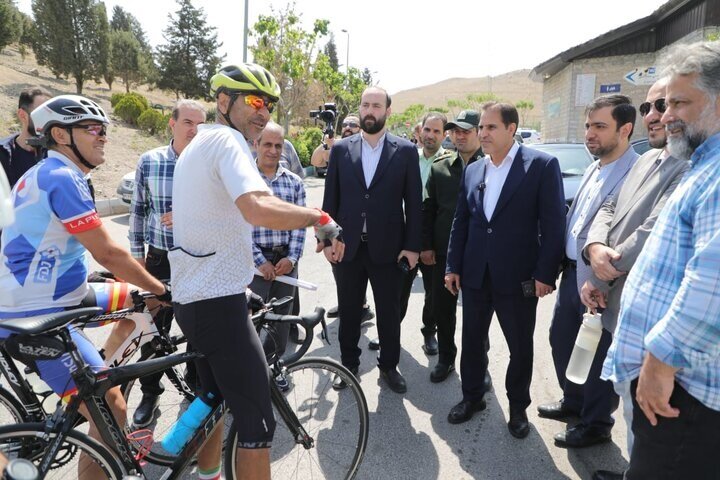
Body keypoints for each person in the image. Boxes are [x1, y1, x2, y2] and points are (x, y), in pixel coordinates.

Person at [168, 63, 343, 480]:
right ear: (223, 101)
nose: (262, 111)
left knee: (213, 398)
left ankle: (206, 473)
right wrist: (319, 218)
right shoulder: (227, 142)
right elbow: (257, 207)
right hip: (216, 304)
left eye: (268, 104)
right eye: (253, 100)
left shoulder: (199, 144)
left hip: (196, 298)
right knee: (257, 424)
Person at [0, 95, 170, 480]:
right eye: (93, 129)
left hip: (55, 297)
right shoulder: (62, 177)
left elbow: (59, 244)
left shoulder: (46, 172)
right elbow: (108, 251)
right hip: (38, 315)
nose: (103, 136)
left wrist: (140, 286)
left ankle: (96, 374)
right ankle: (94, 396)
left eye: (104, 129)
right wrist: (161, 287)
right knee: (111, 409)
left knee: (138, 299)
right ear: (61, 135)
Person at [603, 41, 720, 479]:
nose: (666, 115)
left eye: (679, 103)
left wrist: (660, 361)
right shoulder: (702, 165)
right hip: (675, 384)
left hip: (683, 392)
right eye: (664, 103)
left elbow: (713, 282)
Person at [581, 80, 689, 480]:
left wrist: (603, 271)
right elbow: (610, 207)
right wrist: (595, 247)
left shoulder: (691, 167)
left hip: (655, 320)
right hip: (619, 304)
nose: (654, 115)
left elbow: (651, 232)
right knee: (631, 407)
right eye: (647, 107)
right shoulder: (646, 159)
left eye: (664, 104)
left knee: (651, 420)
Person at [444, 102, 565, 438]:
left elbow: (554, 225)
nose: (482, 133)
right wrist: (453, 265)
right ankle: (472, 398)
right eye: (481, 127)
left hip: (519, 276)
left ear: (511, 129)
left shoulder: (541, 165)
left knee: (520, 347)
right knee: (471, 341)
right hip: (475, 274)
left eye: (490, 127)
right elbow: (461, 221)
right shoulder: (474, 170)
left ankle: (517, 408)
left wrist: (545, 274)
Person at [539, 95, 639, 449]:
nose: (589, 134)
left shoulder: (636, 172)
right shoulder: (594, 167)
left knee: (597, 355)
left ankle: (596, 423)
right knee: (561, 340)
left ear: (625, 129)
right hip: (572, 275)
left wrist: (600, 279)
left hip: (603, 282)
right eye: (587, 126)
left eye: (600, 126)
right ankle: (574, 402)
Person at [322, 86, 422, 394]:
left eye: (376, 105)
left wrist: (412, 246)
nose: (369, 111)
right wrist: (327, 240)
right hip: (346, 246)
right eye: (365, 105)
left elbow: (414, 202)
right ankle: (348, 366)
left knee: (389, 313)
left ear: (387, 111)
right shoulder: (341, 149)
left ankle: (389, 366)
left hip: (389, 248)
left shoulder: (405, 151)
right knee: (349, 311)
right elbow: (330, 200)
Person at [128, 99, 206, 427]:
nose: (194, 130)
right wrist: (137, 257)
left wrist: (189, 215)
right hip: (159, 260)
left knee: (198, 329)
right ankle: (150, 392)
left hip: (197, 260)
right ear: (172, 124)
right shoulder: (150, 161)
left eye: (200, 124)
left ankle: (196, 386)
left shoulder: (209, 164)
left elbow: (224, 212)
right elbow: (138, 211)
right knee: (152, 331)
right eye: (188, 122)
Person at [422, 110, 483, 382]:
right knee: (443, 311)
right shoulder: (440, 168)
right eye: (456, 131)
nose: (459, 136)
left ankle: (478, 366)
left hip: (479, 256)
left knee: (477, 316)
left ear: (479, 132)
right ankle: (446, 359)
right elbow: (428, 210)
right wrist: (426, 246)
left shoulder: (492, 167)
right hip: (444, 255)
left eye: (466, 131)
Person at [249, 121, 306, 368]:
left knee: (280, 322)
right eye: (267, 144)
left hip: (285, 263)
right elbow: (237, 226)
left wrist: (291, 259)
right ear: (256, 144)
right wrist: (259, 261)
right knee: (251, 323)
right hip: (253, 265)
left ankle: (274, 370)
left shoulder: (294, 182)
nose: (273, 151)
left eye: (278, 146)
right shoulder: (243, 181)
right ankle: (252, 373)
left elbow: (300, 224)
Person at [390, 111, 448, 356]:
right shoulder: (407, 158)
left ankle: (429, 331)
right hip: (405, 235)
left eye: (436, 131)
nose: (430, 135)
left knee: (433, 293)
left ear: (444, 135)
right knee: (397, 290)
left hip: (433, 238)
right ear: (420, 131)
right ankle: (390, 333)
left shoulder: (449, 163)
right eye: (427, 130)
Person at [313, 115, 376, 324]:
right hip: (340, 222)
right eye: (345, 124)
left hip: (365, 226)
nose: (348, 127)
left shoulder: (366, 150)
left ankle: (362, 306)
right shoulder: (338, 147)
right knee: (341, 269)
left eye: (353, 124)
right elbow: (315, 161)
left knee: (361, 271)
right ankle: (347, 303)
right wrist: (326, 143)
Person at [0, 87, 51, 188]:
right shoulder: (3, 153)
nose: (49, 120)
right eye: (42, 114)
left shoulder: (59, 152)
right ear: (22, 115)